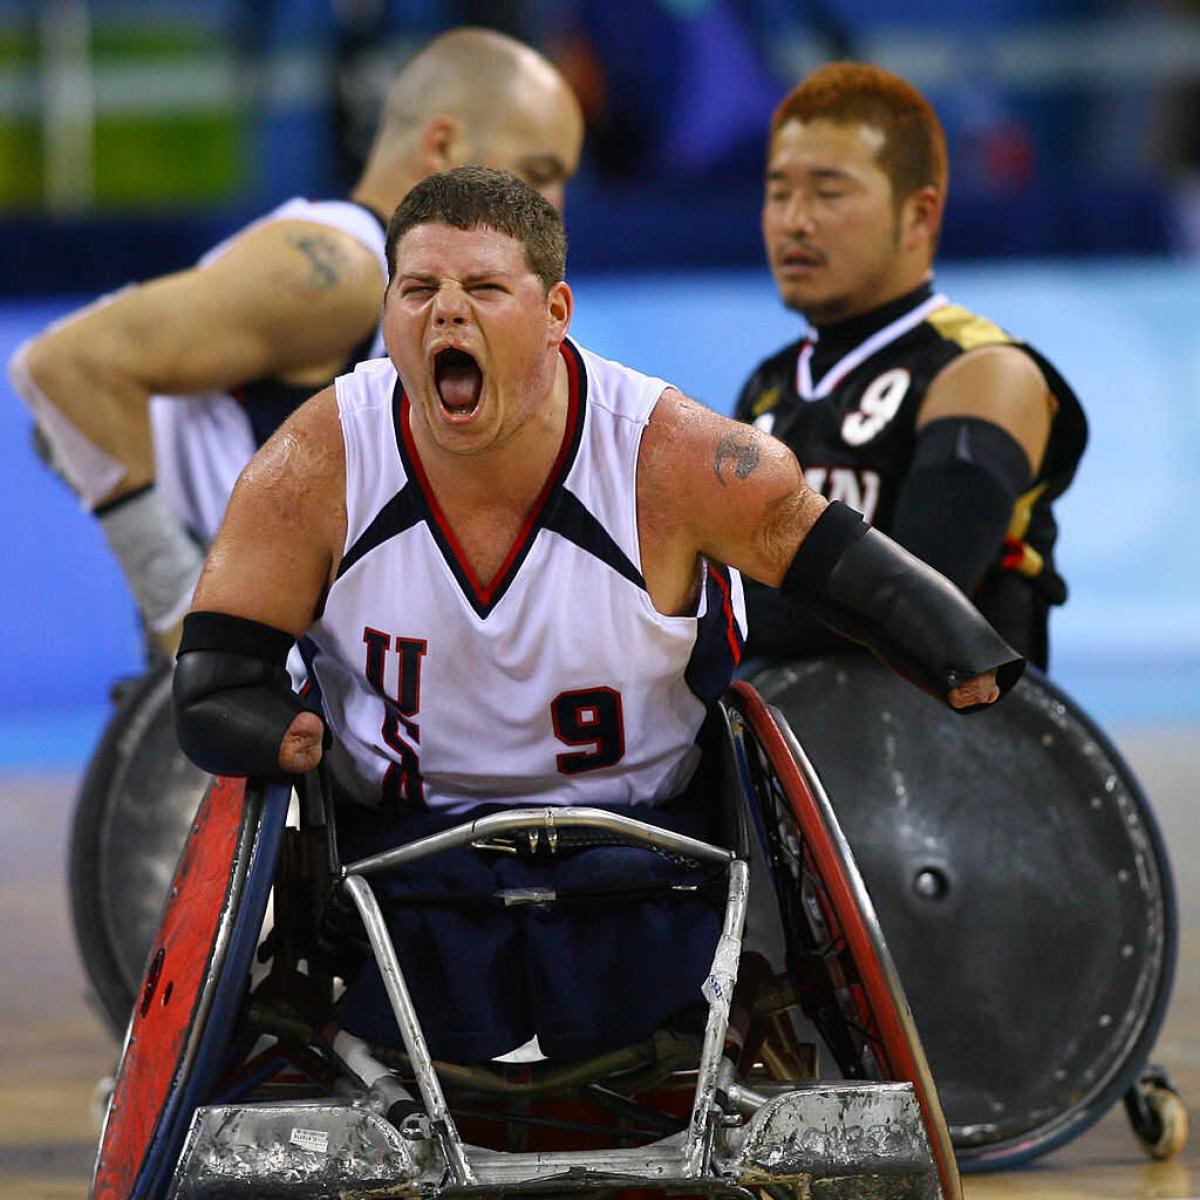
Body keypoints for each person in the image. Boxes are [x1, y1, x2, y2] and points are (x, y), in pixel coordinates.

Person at [173, 165, 1021, 1063]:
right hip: (395, 868)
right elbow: (215, 678)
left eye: (485, 288)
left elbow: (841, 564)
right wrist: (269, 734)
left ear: (555, 312)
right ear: (388, 310)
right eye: (418, 289)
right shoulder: (319, 456)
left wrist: (959, 650)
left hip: (650, 865)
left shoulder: (671, 451)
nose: (446, 314)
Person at [7, 28, 583, 656]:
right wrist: (179, 606)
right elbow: (66, 365)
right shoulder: (336, 271)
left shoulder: (399, 284)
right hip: (274, 688)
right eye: (537, 172)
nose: (552, 206)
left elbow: (67, 430)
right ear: (444, 145)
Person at [735, 62, 1087, 670]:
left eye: (828, 191)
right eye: (778, 191)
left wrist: (690, 623)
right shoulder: (769, 388)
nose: (795, 219)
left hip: (953, 747)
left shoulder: (984, 371)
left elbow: (918, 599)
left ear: (919, 216)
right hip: (795, 744)